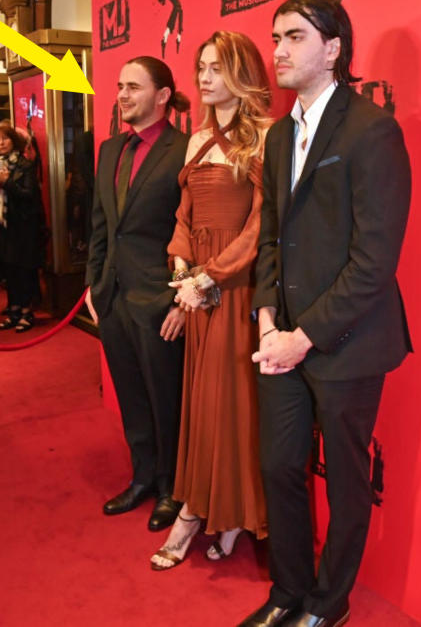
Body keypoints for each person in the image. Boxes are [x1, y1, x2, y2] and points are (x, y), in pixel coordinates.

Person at [244, 0, 412, 627]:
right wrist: (266, 317)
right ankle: (287, 594)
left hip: (346, 344)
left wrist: (303, 336)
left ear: (334, 48)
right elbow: (269, 236)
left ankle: (328, 604)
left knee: (345, 484)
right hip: (279, 337)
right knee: (279, 466)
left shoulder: (372, 130)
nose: (278, 50)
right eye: (275, 37)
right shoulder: (279, 134)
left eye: (293, 37)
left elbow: (374, 262)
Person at [150, 31, 271, 571]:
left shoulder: (268, 136)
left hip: (235, 287)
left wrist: (212, 276)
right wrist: (181, 264)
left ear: (242, 74)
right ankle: (204, 509)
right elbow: (183, 214)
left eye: (217, 68)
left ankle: (220, 514)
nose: (203, 78)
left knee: (231, 406)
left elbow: (262, 225)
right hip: (196, 288)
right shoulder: (195, 139)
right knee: (201, 405)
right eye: (200, 67)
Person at [85, 56, 190, 532]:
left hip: (159, 301)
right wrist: (93, 284)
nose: (122, 94)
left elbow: (194, 230)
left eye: (134, 86)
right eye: (120, 86)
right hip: (113, 297)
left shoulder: (185, 150)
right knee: (130, 396)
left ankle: (172, 488)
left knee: (165, 398)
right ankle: (143, 476)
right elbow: (101, 223)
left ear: (162, 96)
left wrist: (180, 298)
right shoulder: (109, 149)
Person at [0, 121, 45, 332]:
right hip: (4, 225)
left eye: (5, 138)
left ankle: (26, 312)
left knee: (24, 269)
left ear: (14, 141)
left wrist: (7, 181)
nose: (1, 143)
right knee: (9, 269)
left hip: (24, 225)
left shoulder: (25, 165)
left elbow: (29, 195)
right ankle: (13, 309)